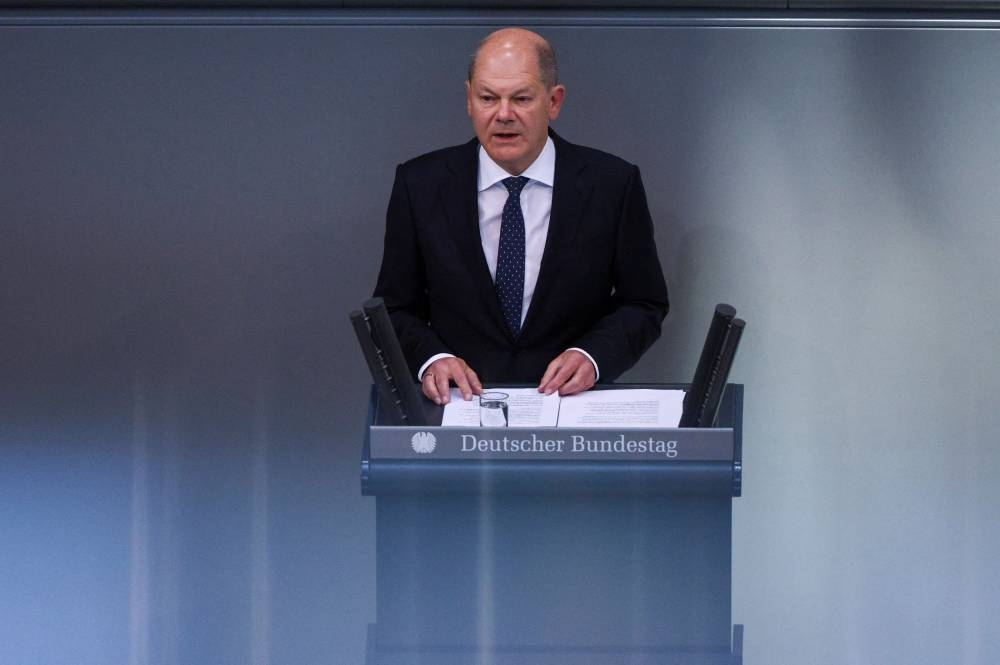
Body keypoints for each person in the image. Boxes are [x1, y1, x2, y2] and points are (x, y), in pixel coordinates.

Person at [374, 27, 668, 405]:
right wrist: (434, 359)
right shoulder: (420, 184)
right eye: (488, 98)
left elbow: (644, 303)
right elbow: (394, 309)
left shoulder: (612, 184)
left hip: (569, 413)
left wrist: (594, 357)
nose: (503, 114)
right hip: (459, 411)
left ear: (554, 101)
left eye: (522, 98)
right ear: (469, 100)